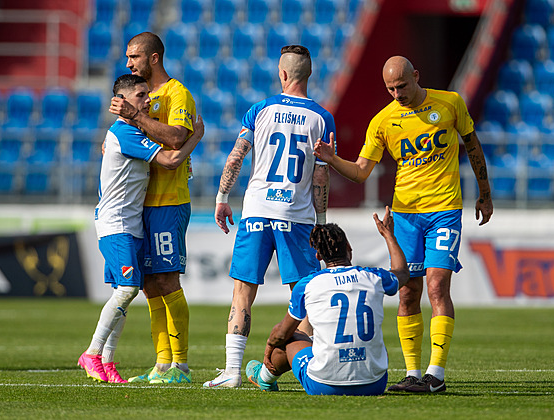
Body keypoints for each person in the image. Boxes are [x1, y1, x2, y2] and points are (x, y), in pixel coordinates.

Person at [313, 56, 493, 393]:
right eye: (390, 89)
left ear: (416, 76)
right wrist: (333, 158)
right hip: (405, 216)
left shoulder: (450, 103)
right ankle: (413, 374)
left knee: (438, 285)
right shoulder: (382, 121)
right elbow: (362, 171)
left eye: (402, 86)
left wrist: (485, 193)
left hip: (445, 210)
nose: (397, 93)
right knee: (408, 294)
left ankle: (436, 374)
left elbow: (472, 145)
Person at [204, 45, 335, 388]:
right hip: (298, 216)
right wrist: (321, 222)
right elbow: (321, 176)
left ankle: (232, 372)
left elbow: (235, 158)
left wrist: (221, 198)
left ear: (283, 74)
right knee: (306, 294)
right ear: (308, 75)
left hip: (257, 212)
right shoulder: (322, 117)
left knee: (242, 292)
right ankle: (309, 364)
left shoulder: (260, 110)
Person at [78, 74, 203, 383]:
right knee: (128, 288)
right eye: (140, 95)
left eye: (148, 94)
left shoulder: (126, 133)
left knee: (125, 291)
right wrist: (196, 136)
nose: (147, 100)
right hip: (116, 223)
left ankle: (107, 363)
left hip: (131, 224)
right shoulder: (125, 133)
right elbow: (172, 159)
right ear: (123, 103)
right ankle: (92, 353)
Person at [109, 32, 197, 384]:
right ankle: (162, 364)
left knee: (167, 280)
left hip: (168, 201)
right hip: (139, 204)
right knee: (148, 284)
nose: (129, 64)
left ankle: (182, 365)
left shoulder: (178, 93)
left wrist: (135, 115)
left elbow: (176, 137)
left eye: (134, 57)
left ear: (153, 58)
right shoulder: (140, 96)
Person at [246, 208, 410, 395]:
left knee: (291, 334)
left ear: (318, 256)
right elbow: (403, 273)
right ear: (349, 247)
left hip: (324, 385)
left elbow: (282, 334)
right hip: (374, 384)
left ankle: (265, 378)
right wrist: (389, 235)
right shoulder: (373, 276)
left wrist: (269, 345)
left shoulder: (308, 284)